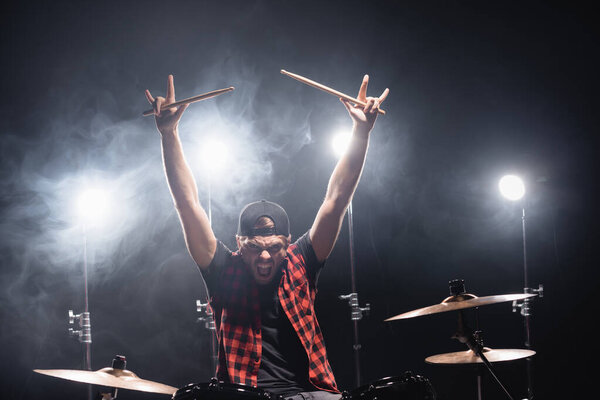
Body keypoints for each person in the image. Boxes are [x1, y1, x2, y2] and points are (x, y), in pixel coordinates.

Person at [145, 74, 388, 400]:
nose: (264, 258)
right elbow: (187, 204)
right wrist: (169, 134)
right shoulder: (222, 271)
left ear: (287, 243)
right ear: (239, 244)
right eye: (255, 249)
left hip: (311, 395)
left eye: (274, 249)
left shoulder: (302, 260)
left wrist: (360, 132)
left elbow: (336, 199)